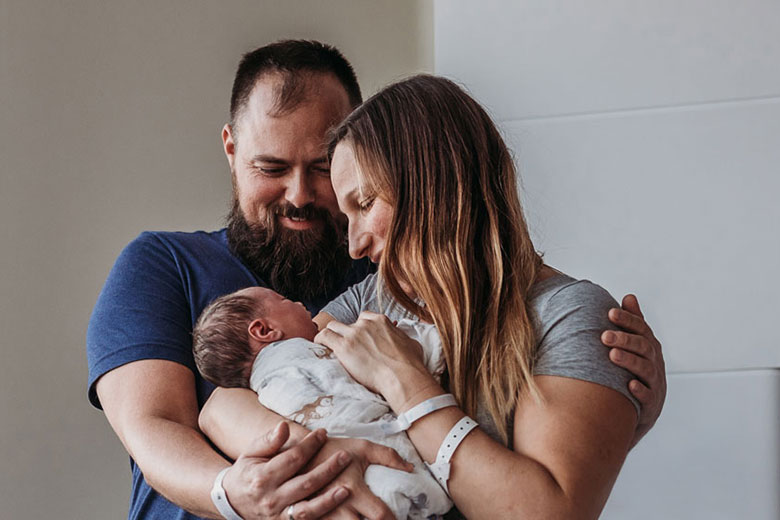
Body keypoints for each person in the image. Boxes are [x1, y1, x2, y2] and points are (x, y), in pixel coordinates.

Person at [86, 39, 665, 520]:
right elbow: (212, 412)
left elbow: (546, 506)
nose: (353, 240)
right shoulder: (371, 293)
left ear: (429, 182)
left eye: (355, 198)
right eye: (272, 167)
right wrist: (318, 462)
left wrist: (408, 383)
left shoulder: (560, 312)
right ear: (232, 150)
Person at [192, 286, 452, 519]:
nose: (301, 304)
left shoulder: (263, 386)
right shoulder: (301, 354)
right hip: (378, 460)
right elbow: (364, 371)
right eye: (286, 299)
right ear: (264, 330)